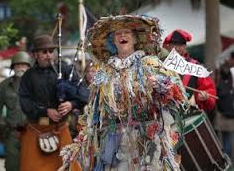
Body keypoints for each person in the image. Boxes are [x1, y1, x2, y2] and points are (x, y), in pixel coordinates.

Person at [58, 15, 188, 171]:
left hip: (147, 140)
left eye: (127, 32)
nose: (122, 36)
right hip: (115, 142)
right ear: (113, 40)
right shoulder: (105, 72)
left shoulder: (149, 64)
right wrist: (79, 142)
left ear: (134, 39)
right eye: (118, 34)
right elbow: (93, 112)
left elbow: (178, 95)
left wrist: (161, 86)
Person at [19, 34, 87, 171]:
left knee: (67, 168)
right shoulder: (28, 76)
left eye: (51, 51)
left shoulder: (66, 70)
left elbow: (84, 93)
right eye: (44, 52)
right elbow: (24, 102)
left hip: (60, 128)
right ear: (35, 55)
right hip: (35, 128)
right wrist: (45, 111)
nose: (48, 55)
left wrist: (71, 104)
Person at [0, 51, 31, 171]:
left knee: (31, 165)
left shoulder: (35, 84)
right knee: (12, 166)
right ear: (13, 67)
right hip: (12, 132)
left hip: (32, 132)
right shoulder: (5, 85)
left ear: (29, 67)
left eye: (24, 65)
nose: (21, 68)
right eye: (17, 65)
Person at [163, 29, 217, 119]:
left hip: (188, 115)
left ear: (185, 46)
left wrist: (203, 97)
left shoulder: (195, 66)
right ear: (169, 46)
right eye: (173, 45)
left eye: (180, 45)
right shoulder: (161, 65)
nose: (176, 48)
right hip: (166, 117)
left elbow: (209, 91)